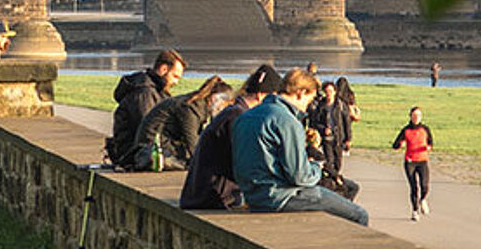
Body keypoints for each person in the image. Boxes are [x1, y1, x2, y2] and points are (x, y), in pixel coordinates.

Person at [231, 68, 369, 224]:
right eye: (309, 101)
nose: (307, 108)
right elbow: (300, 176)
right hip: (281, 197)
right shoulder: (286, 120)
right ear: (300, 92)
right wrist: (317, 167)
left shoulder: (246, 116)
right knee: (359, 214)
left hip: (252, 197)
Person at [182, 64, 280, 210]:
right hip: (214, 199)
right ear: (260, 95)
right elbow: (245, 164)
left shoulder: (234, 112)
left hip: (203, 195)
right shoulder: (238, 117)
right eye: (273, 99)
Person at [133, 75, 232, 171]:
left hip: (158, 142)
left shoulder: (195, 104)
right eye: (224, 106)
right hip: (152, 146)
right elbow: (194, 144)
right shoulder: (191, 108)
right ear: (213, 99)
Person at [107, 49, 185, 167]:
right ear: (164, 69)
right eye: (175, 76)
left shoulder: (157, 91)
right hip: (132, 153)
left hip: (141, 149)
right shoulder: (144, 92)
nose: (176, 82)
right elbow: (147, 130)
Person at [392, 106, 435, 221]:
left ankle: (423, 200)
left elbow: (431, 143)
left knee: (424, 185)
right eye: (414, 116)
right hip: (410, 161)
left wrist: (428, 147)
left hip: (422, 161)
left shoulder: (425, 129)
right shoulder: (406, 130)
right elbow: (395, 144)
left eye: (418, 116)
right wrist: (400, 145)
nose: (416, 118)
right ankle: (415, 211)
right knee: (414, 187)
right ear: (410, 117)